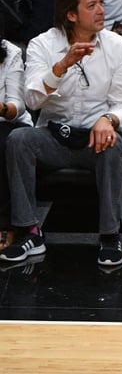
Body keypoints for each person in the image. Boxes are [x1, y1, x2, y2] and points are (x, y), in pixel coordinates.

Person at [1, 0, 122, 267]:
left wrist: (108, 119)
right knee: (19, 140)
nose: (102, 9)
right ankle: (29, 231)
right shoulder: (43, 44)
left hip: (94, 140)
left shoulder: (118, 46)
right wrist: (61, 66)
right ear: (71, 15)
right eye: (92, 5)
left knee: (113, 145)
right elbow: (33, 101)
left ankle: (110, 236)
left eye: (101, 2)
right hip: (54, 138)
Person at [0, 13, 35, 251]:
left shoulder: (9, 53)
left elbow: (16, 105)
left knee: (3, 141)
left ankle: (5, 224)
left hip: (9, 122)